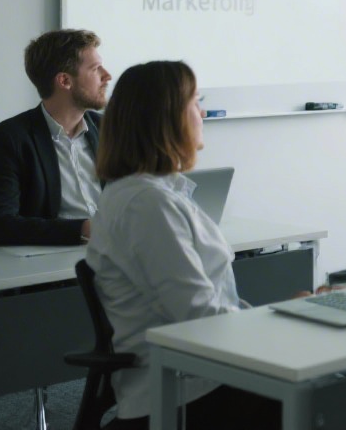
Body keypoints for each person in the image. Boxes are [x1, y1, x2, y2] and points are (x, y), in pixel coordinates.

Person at [85, 60, 281, 429]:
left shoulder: (155, 193)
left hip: (198, 378)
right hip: (184, 393)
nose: (202, 112)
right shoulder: (147, 204)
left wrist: (277, 319)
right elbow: (199, 320)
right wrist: (278, 328)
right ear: (166, 118)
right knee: (331, 394)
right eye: (195, 101)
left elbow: (211, 307)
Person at [0, 29, 111, 246]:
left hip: (119, 260)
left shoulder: (110, 129)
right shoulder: (8, 138)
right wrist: (84, 229)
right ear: (65, 81)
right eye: (96, 69)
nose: (107, 76)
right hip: (55, 272)